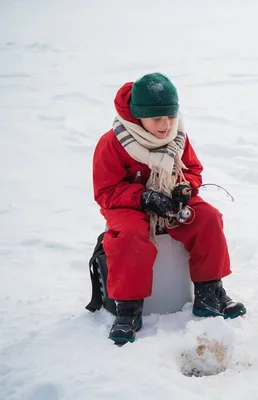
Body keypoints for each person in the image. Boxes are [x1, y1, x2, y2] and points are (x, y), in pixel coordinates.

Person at [92, 72, 246, 345]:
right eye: (157, 119)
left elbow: (193, 169)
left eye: (171, 117)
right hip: (128, 205)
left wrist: (185, 189)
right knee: (130, 234)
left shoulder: (178, 137)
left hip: (170, 200)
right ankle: (128, 308)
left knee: (208, 218)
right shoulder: (112, 142)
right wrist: (144, 198)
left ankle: (210, 292)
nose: (165, 126)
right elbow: (105, 191)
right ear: (138, 117)